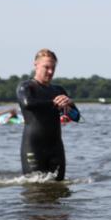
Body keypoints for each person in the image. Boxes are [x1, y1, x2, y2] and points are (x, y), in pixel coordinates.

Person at [17, 49, 79, 181]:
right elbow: (28, 104)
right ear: (36, 65)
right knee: (35, 191)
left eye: (53, 68)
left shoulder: (58, 90)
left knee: (59, 190)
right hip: (33, 147)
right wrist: (55, 103)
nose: (50, 72)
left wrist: (69, 104)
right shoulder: (26, 87)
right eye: (46, 67)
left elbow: (76, 116)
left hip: (56, 148)